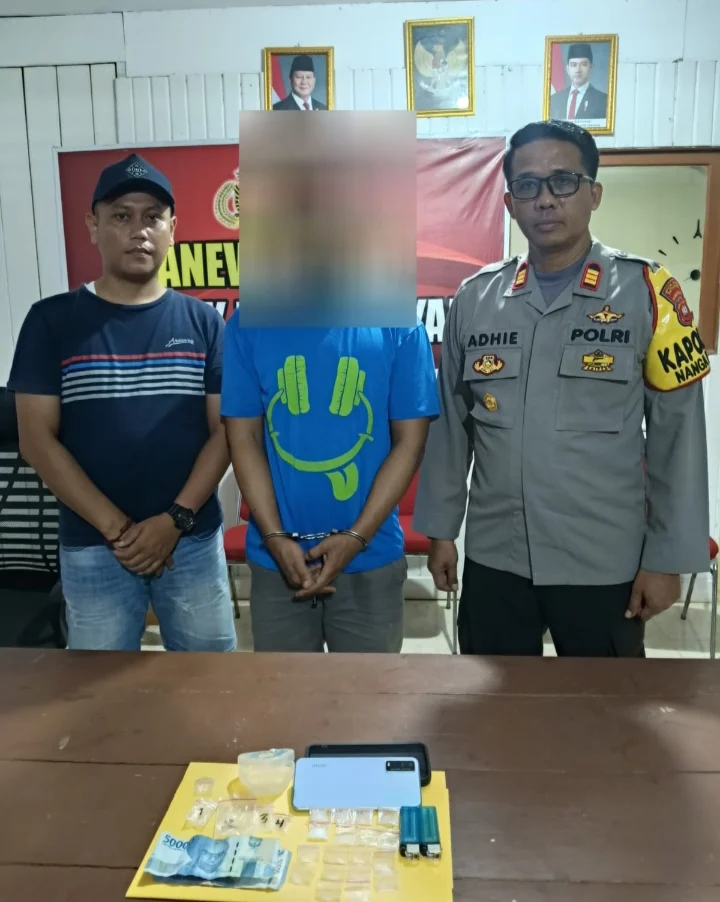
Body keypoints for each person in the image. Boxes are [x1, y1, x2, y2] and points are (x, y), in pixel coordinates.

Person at [413, 119, 710, 658]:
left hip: (603, 563)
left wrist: (667, 559)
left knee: (605, 705)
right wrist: (440, 531)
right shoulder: (476, 299)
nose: (545, 199)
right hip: (497, 559)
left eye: (563, 182)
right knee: (495, 703)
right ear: (510, 203)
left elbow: (678, 438)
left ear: (594, 193)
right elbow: (452, 430)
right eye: (528, 185)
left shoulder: (648, 293)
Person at [8, 153, 237, 653]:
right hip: (94, 546)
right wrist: (123, 532)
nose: (139, 230)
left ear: (173, 230)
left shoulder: (204, 323)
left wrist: (174, 521)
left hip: (191, 542)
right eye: (121, 216)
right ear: (93, 226)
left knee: (211, 684)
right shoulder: (51, 322)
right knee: (99, 688)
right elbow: (36, 440)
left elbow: (226, 432)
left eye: (153, 217)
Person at [222, 320, 439, 653]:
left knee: (367, 687)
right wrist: (275, 538)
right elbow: (243, 439)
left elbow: (410, 443)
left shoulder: (399, 323)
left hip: (371, 557)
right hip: (277, 561)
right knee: (285, 686)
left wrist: (357, 537)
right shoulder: (248, 322)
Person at [550, 42, 608, 121]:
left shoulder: (603, 100)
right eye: (573, 65)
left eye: (583, 64)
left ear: (591, 68)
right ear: (568, 69)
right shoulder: (555, 99)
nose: (578, 70)